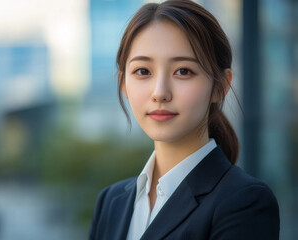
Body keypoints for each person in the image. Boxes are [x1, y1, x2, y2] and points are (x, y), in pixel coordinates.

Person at [89, 1, 280, 240]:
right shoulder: (111, 202)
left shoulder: (245, 202)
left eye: (183, 71)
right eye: (143, 71)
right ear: (123, 84)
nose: (160, 92)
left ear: (221, 86)